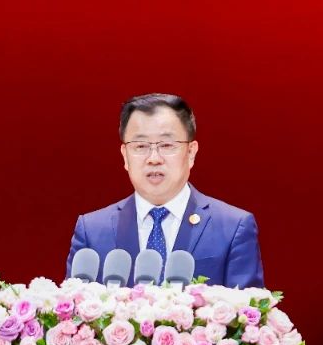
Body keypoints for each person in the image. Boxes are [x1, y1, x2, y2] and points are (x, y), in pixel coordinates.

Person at [65, 93, 265, 288]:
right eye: (140, 146)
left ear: (191, 152)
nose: (154, 158)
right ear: (125, 155)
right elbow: (73, 306)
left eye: (167, 145)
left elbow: (246, 308)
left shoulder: (233, 227)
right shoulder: (92, 230)